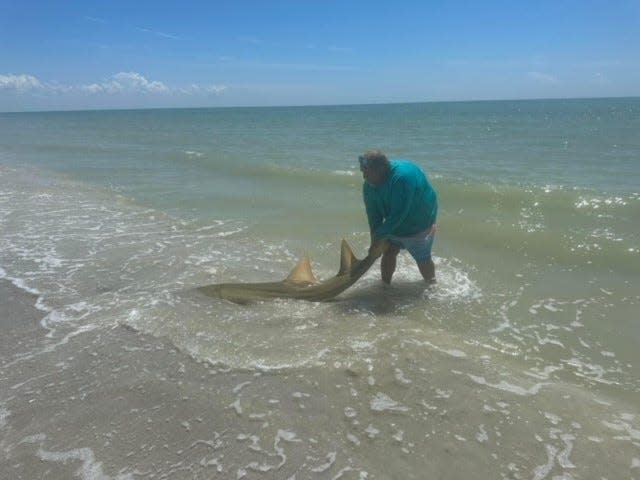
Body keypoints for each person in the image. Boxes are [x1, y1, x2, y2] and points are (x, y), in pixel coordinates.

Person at [359, 150, 438, 284]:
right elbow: (373, 216)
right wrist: (375, 240)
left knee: (422, 257)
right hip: (394, 218)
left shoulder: (401, 179)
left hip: (420, 219)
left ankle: (431, 285)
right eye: (362, 172)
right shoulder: (369, 185)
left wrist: (381, 235)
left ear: (382, 169)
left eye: (368, 172)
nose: (364, 177)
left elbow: (399, 214)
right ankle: (385, 285)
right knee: (389, 251)